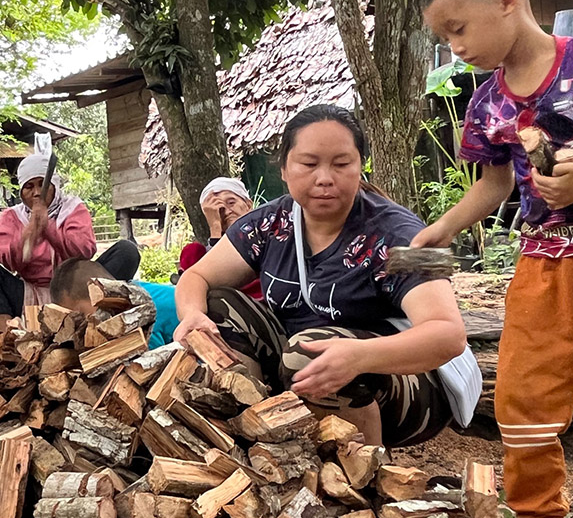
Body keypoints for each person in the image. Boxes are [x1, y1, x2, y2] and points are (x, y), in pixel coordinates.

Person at [415, 0, 573, 517]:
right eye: (445, 38)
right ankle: (537, 509)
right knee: (523, 394)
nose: (454, 48)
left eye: (458, 29)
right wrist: (439, 229)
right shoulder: (488, 103)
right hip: (542, 264)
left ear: (507, 2)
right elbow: (492, 185)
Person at [173, 105, 468, 448]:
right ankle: (254, 446)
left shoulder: (401, 232)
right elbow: (196, 277)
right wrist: (192, 315)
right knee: (218, 305)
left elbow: (449, 335)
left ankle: (363, 480)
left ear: (360, 166)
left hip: (407, 386)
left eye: (341, 164)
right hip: (298, 372)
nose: (325, 177)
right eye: (309, 164)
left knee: (306, 352)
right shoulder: (268, 223)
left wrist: (360, 356)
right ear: (284, 168)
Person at [0, 153, 141, 332]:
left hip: (75, 291)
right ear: (21, 192)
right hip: (27, 294)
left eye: (42, 184)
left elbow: (85, 251)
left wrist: (49, 229)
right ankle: (9, 330)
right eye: (29, 187)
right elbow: (8, 262)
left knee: (127, 251)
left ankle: (88, 317)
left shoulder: (72, 209)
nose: (37, 192)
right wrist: (27, 235)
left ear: (54, 186)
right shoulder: (12, 217)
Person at [50, 258, 178, 349]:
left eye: (82, 315)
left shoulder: (139, 314)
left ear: (101, 293)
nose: (80, 327)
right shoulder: (131, 293)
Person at [177, 177, 262, 300]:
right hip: (225, 307)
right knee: (192, 250)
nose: (227, 212)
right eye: (219, 210)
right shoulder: (201, 255)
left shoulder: (266, 234)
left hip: (266, 304)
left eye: (231, 203)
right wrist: (215, 228)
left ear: (248, 204)